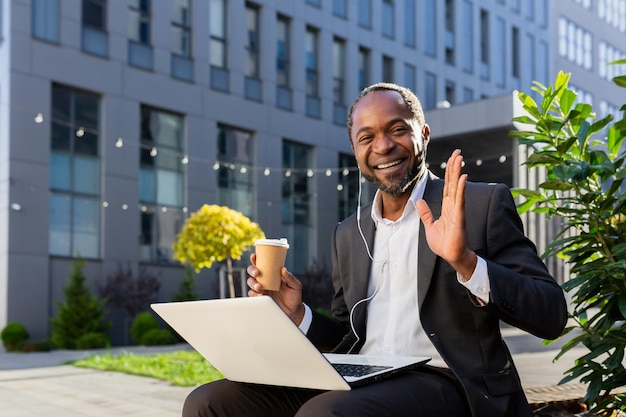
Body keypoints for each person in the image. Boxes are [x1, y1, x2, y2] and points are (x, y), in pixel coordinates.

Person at [182, 83, 568, 417]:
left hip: (448, 381)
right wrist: (297, 314)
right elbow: (347, 337)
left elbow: (551, 314)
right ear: (355, 148)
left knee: (326, 412)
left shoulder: (479, 205)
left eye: (397, 130)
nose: (383, 146)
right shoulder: (348, 233)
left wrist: (466, 262)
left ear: (424, 134)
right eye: (366, 137)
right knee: (209, 402)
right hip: (363, 377)